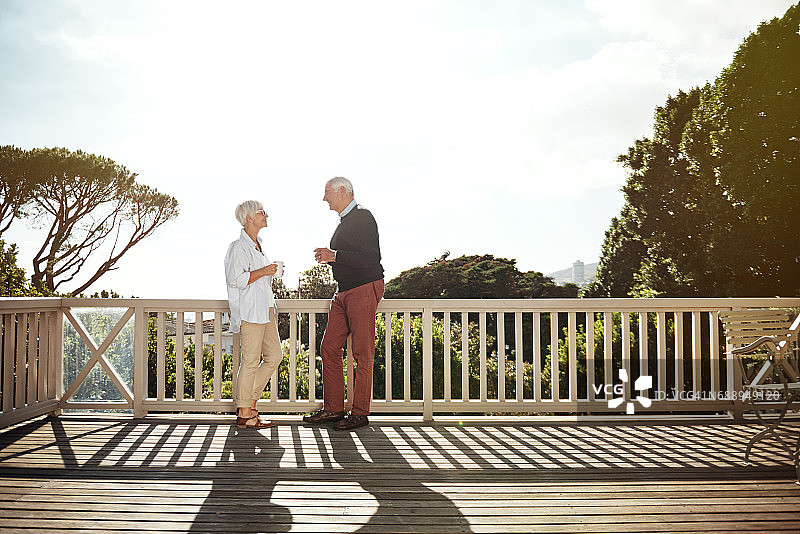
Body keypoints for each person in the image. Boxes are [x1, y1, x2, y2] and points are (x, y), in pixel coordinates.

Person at [304, 177, 385, 431]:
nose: (324, 197)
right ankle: (334, 408)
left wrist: (335, 256)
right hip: (343, 291)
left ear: (342, 191)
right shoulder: (344, 222)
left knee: (362, 352)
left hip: (363, 287)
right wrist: (331, 259)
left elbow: (372, 258)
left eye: (327, 192)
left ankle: (360, 413)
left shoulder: (363, 217)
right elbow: (350, 256)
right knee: (328, 347)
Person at [224, 200, 283, 429]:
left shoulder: (258, 244)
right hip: (250, 311)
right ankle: (246, 412)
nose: (266, 214)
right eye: (261, 212)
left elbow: (258, 279)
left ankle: (247, 405)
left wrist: (270, 274)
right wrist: (264, 271)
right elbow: (235, 279)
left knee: (274, 356)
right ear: (249, 218)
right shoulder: (238, 247)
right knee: (250, 361)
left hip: (266, 310)